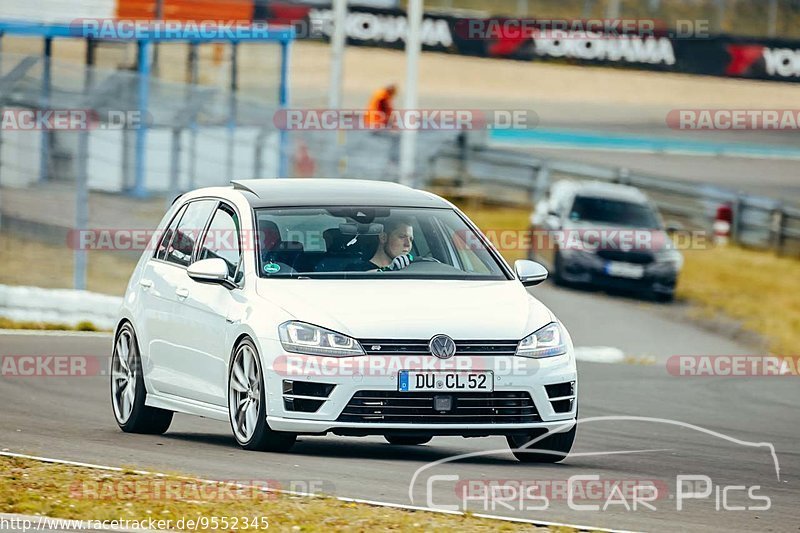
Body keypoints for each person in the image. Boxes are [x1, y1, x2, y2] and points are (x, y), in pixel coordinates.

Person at [347, 218, 414, 271]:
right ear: (383, 238)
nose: (408, 244)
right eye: (402, 237)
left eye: (411, 239)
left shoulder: (414, 269)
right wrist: (389, 270)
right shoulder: (356, 270)